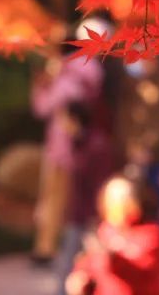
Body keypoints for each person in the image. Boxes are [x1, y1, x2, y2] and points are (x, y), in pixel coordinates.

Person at [31, 17, 109, 265]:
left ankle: (51, 248)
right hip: (70, 147)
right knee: (67, 201)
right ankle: (51, 248)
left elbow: (44, 107)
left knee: (66, 201)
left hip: (69, 147)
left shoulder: (69, 73)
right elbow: (45, 107)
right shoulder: (81, 73)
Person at [111, 55, 159, 243]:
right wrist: (130, 147)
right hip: (137, 157)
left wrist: (148, 148)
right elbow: (124, 120)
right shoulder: (132, 84)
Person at [65, 176, 159, 295]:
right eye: (112, 199)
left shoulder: (152, 233)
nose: (117, 205)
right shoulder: (104, 231)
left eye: (123, 199)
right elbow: (89, 267)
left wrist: (113, 257)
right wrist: (81, 278)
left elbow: (143, 272)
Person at [54, 100, 116, 295]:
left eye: (63, 118)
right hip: (78, 215)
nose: (60, 123)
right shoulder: (77, 142)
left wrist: (96, 219)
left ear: (74, 119)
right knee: (71, 268)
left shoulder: (96, 146)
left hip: (90, 219)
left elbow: (100, 186)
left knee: (75, 269)